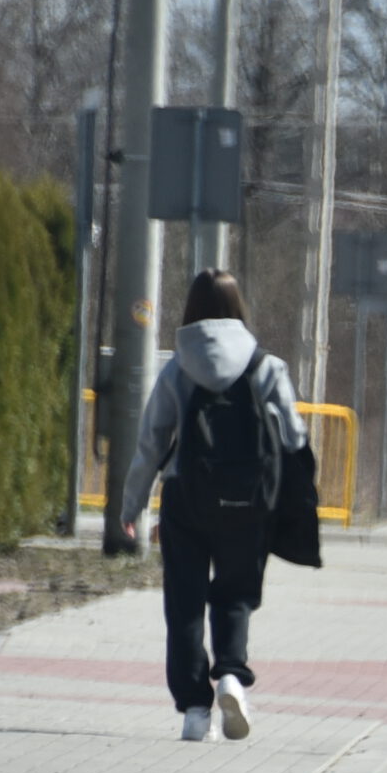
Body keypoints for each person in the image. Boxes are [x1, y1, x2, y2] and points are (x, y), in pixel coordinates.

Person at [116, 270, 307, 742]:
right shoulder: (267, 366)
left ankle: (195, 712)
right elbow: (294, 438)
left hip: (186, 496)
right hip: (248, 500)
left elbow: (152, 440)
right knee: (235, 593)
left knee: (184, 603)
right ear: (238, 307)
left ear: (192, 310)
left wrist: (132, 504)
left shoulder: (177, 368)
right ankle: (231, 677)